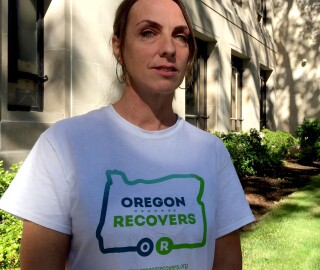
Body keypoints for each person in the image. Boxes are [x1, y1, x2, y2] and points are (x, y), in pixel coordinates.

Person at [0, 0, 254, 269]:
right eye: (149, 32)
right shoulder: (63, 145)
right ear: (118, 48)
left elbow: (227, 262)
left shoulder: (211, 152)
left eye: (180, 36)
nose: (169, 49)